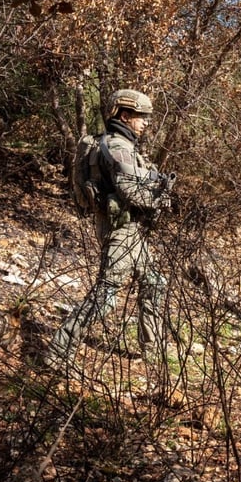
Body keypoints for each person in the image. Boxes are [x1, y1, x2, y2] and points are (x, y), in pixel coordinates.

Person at [48, 88, 172, 367]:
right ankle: (57, 353)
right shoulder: (117, 147)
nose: (146, 123)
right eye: (142, 117)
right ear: (125, 116)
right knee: (105, 298)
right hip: (121, 231)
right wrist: (161, 196)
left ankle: (152, 352)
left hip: (128, 231)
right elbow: (133, 192)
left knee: (155, 283)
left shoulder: (116, 144)